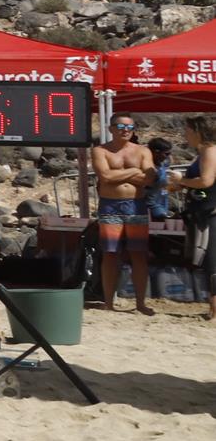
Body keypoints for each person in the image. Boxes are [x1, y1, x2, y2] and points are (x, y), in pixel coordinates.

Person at [91, 116, 155, 314]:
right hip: (110, 206)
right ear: (111, 128)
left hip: (136, 205)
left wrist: (119, 175)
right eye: (120, 126)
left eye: (129, 127)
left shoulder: (143, 151)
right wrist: (135, 171)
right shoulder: (100, 151)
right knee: (110, 253)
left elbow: (149, 178)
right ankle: (108, 302)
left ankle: (140, 303)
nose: (125, 130)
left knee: (138, 253)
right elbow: (105, 176)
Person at [177, 117, 216, 320]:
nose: (185, 135)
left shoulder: (209, 151)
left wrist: (181, 180)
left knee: (212, 260)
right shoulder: (203, 152)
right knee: (208, 259)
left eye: (187, 130)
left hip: (211, 212)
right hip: (203, 210)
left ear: (196, 131)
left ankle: (215, 308)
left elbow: (206, 181)